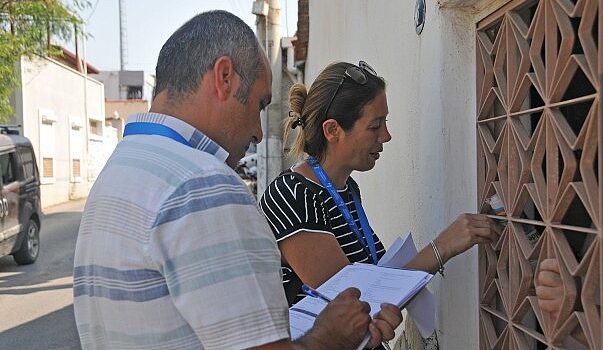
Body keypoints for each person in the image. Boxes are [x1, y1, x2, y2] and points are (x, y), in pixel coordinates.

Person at [72, 11, 401, 350]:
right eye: (260, 104)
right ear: (224, 77)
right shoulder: (202, 185)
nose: (259, 132)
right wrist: (327, 337)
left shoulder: (119, 170)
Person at [259, 61, 501, 306]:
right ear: (332, 130)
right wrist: (442, 247)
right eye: (375, 126)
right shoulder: (291, 195)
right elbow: (353, 304)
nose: (386, 136)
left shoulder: (348, 189)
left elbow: (379, 283)